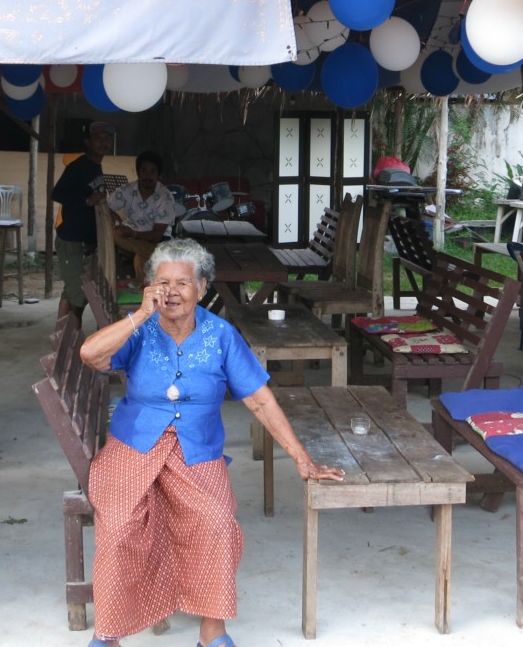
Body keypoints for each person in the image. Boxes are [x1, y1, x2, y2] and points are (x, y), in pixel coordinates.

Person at [79, 238, 344, 647]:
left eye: (182, 283)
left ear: (202, 288)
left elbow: (260, 400)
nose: (172, 292)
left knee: (218, 522)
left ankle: (212, 631)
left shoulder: (222, 336)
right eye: (163, 282)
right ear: (151, 287)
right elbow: (90, 355)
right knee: (117, 526)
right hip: (134, 444)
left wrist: (300, 457)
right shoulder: (139, 329)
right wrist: (140, 314)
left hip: (196, 448)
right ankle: (109, 632)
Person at [52, 120, 115, 330]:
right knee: (78, 297)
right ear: (88, 142)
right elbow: (57, 194)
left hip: (85, 243)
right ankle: (72, 342)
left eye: (107, 139)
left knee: (72, 292)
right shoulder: (78, 166)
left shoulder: (96, 167)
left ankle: (61, 340)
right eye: (97, 138)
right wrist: (86, 200)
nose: (103, 143)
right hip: (72, 242)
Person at [106, 149, 176, 280]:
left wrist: (134, 235)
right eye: (144, 170)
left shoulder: (165, 198)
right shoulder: (127, 190)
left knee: (140, 260)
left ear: (158, 175)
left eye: (152, 171)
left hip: (157, 242)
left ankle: (143, 290)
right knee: (111, 232)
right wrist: (115, 218)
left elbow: (156, 236)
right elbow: (104, 206)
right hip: (131, 238)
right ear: (138, 172)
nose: (147, 176)